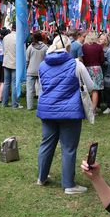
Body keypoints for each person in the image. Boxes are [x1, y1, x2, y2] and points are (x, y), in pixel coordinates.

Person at [36, 34, 93, 194]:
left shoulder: (42, 65)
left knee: (46, 143)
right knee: (68, 148)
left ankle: (41, 177)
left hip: (48, 110)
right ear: (68, 48)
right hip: (70, 112)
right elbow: (90, 85)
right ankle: (69, 185)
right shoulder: (76, 64)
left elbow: (41, 87)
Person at [81, 31, 106, 113]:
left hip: (86, 68)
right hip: (96, 69)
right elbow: (102, 59)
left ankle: (85, 108)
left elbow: (82, 58)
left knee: (85, 89)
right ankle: (93, 109)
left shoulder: (83, 47)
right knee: (95, 89)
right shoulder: (99, 47)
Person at [25, 31, 47, 110]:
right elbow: (47, 59)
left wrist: (26, 68)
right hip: (42, 71)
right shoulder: (45, 47)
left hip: (31, 71)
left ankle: (29, 106)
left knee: (30, 90)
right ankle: (40, 106)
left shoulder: (30, 47)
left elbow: (26, 60)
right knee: (41, 89)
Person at [1, 24, 20, 108]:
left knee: (6, 83)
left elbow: (3, 49)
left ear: (12, 28)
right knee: (14, 84)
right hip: (15, 63)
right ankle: (14, 104)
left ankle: (4, 103)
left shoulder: (5, 37)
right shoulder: (18, 37)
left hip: (6, 61)